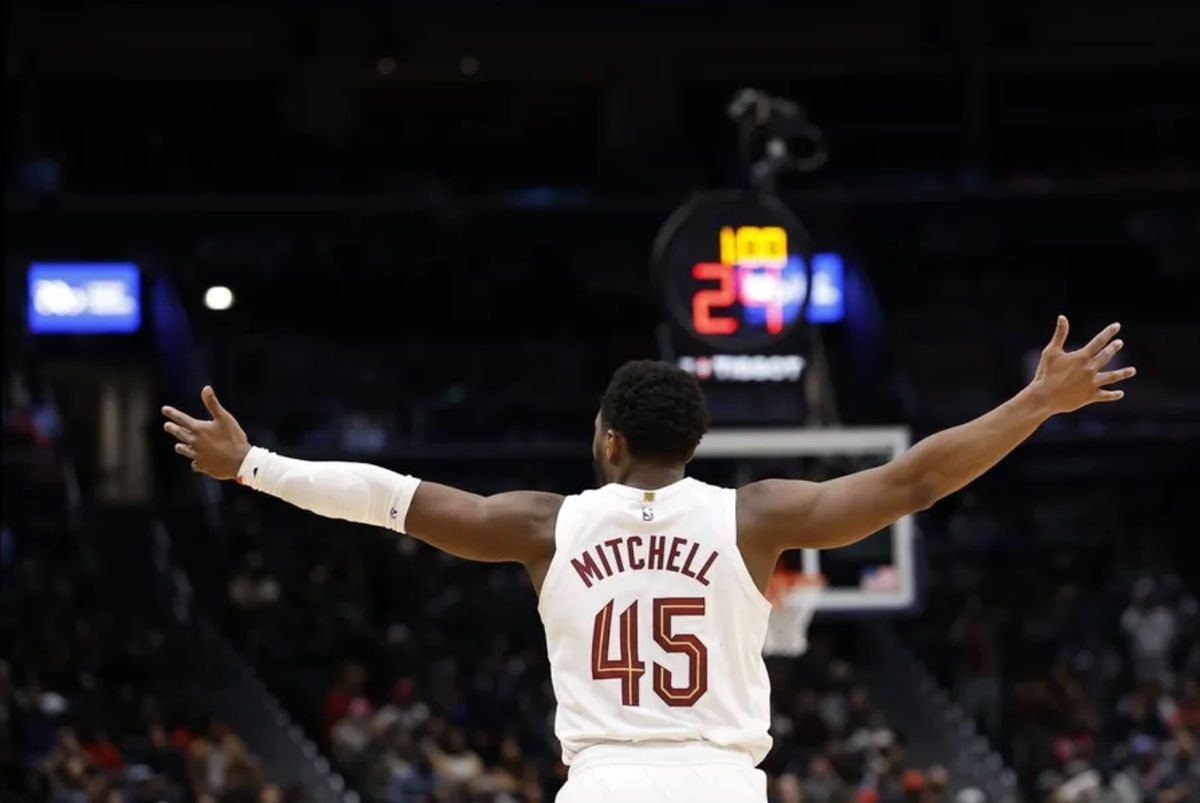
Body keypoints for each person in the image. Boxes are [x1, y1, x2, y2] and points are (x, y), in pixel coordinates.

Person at [162, 317, 1134, 803]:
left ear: (613, 441)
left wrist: (250, 462)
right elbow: (912, 482)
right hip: (719, 783)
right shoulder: (754, 517)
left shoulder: (548, 524)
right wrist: (1034, 404)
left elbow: (392, 498)